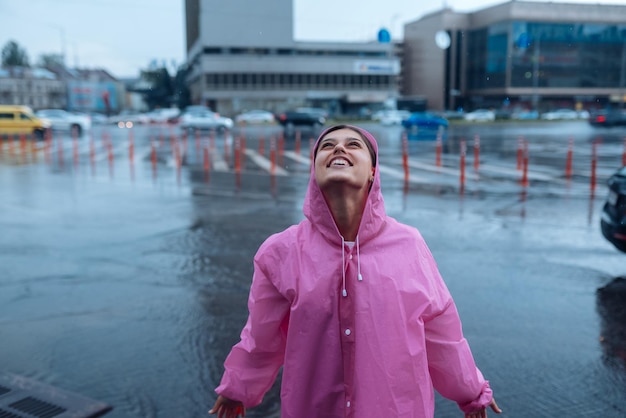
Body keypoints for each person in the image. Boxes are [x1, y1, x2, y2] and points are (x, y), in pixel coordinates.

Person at [209, 125, 502, 418]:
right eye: (327, 146)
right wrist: (237, 389)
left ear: (373, 171)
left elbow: (441, 333)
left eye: (353, 144)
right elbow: (261, 336)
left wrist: (471, 391)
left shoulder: (409, 245)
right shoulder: (280, 251)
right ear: (314, 171)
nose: (338, 149)